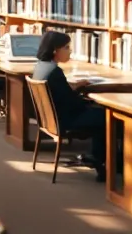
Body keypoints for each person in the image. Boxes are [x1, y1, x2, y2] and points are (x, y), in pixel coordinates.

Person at [33, 31, 106, 181]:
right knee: (107, 118)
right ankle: (101, 160)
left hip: (52, 119)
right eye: (66, 47)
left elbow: (60, 93)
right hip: (65, 119)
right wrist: (89, 101)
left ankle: (99, 157)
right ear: (55, 50)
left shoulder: (42, 67)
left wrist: (75, 87)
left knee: (99, 113)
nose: (70, 51)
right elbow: (73, 104)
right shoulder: (55, 72)